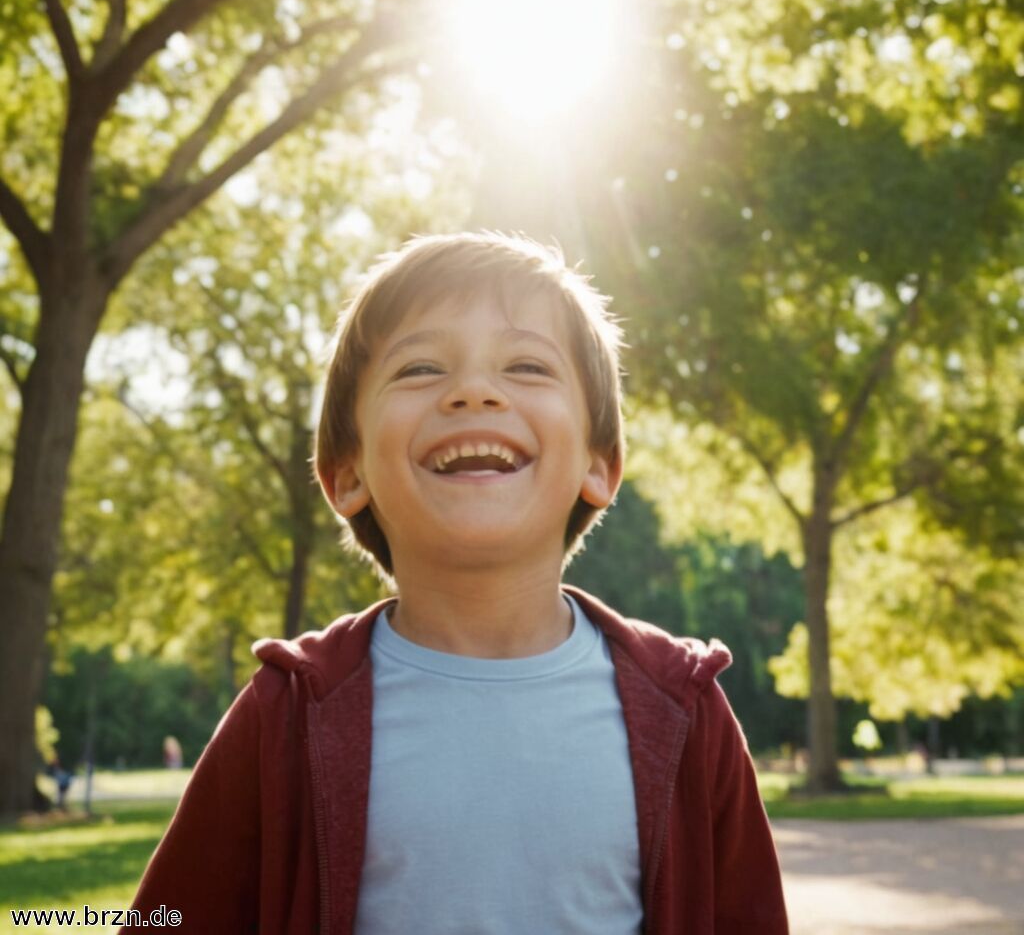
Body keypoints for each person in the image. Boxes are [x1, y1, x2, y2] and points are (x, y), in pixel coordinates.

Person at [127, 233, 789, 933]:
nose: (473, 391)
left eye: (528, 365)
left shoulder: (684, 711)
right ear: (346, 475)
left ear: (599, 466)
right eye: (419, 369)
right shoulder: (285, 713)